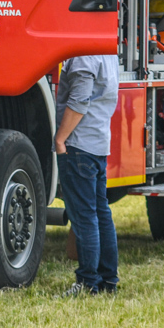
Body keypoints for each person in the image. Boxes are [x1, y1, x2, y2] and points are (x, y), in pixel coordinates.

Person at [54, 54, 119, 296]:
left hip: (79, 145)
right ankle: (108, 280)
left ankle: (87, 282)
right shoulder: (108, 54)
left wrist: (60, 139)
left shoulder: (84, 58)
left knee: (84, 217)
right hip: (98, 144)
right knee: (101, 213)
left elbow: (80, 101)